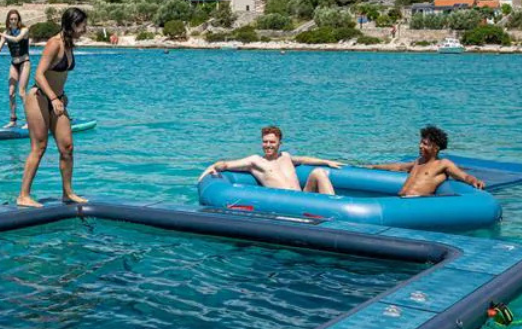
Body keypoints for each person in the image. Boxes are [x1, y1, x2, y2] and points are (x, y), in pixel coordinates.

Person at [17, 7, 88, 208]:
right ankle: (23, 195)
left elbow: (58, 77)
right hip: (38, 97)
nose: (85, 29)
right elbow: (39, 74)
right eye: (83, 25)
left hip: (56, 99)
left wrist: (61, 96)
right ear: (73, 24)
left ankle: (67, 193)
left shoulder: (69, 45)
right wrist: (54, 98)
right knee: (39, 147)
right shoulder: (54, 44)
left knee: (67, 148)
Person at [198, 125, 342, 194]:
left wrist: (326, 162)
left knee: (319, 172)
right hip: (285, 202)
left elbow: (304, 159)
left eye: (272, 142)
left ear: (280, 143)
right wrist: (214, 166)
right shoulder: (255, 161)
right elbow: (226, 164)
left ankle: (335, 206)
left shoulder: (285, 157)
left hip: (303, 196)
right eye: (265, 142)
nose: (268, 145)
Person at [365, 125, 485, 196]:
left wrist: (474, 180)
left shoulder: (442, 164)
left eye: (425, 144)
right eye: (421, 142)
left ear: (435, 148)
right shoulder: (419, 162)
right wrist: (374, 167)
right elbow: (399, 167)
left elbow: (463, 176)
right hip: (400, 200)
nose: (420, 146)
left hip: (416, 203)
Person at [0, 10, 30, 128]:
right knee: (11, 93)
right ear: (8, 20)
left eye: (15, 19)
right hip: (14, 64)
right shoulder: (7, 32)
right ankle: (13, 120)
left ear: (18, 20)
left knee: (21, 92)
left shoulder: (24, 30)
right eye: (11, 19)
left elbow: (16, 40)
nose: (13, 21)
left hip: (24, 63)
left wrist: (0, 34)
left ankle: (29, 120)